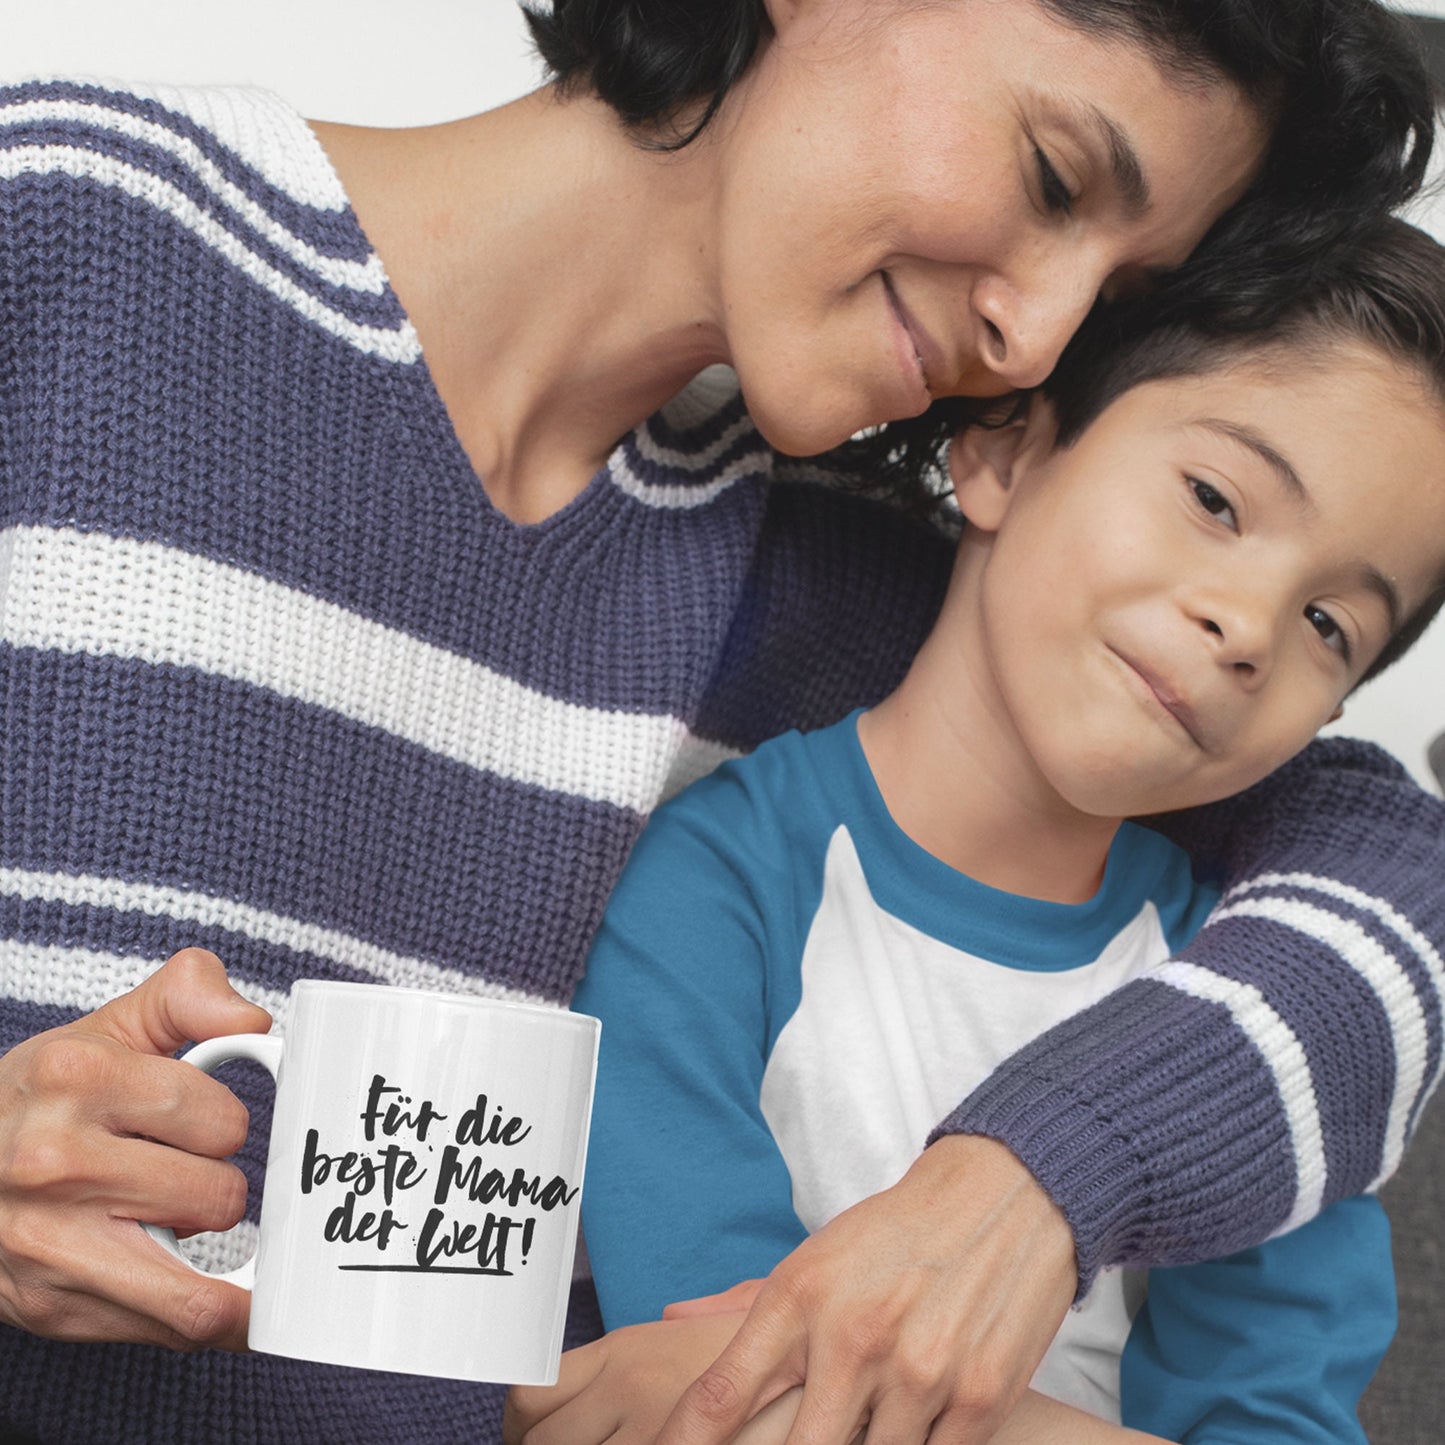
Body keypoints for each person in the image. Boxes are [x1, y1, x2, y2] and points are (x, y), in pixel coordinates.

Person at [0, 2, 1439, 1442]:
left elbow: (1383, 859)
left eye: (1117, 294)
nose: (1038, 332)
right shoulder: (57, 237)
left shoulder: (807, 563)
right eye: (1054, 178)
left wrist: (1041, 1171)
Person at [521, 213, 1445, 1445]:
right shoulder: (710, 888)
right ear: (1006, 450)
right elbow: (725, 1395)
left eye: (1331, 623)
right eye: (1215, 499)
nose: (1249, 625)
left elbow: (1273, 1418)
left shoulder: (1255, 1034)